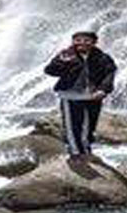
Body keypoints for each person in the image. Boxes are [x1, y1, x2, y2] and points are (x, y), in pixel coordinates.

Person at [44, 30, 117, 160]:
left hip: (93, 96)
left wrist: (103, 90)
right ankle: (75, 153)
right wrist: (62, 62)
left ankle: (86, 149)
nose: (81, 43)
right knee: (72, 126)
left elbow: (109, 74)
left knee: (89, 126)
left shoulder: (103, 58)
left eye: (86, 40)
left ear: (94, 43)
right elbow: (50, 71)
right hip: (70, 95)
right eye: (77, 40)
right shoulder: (66, 54)